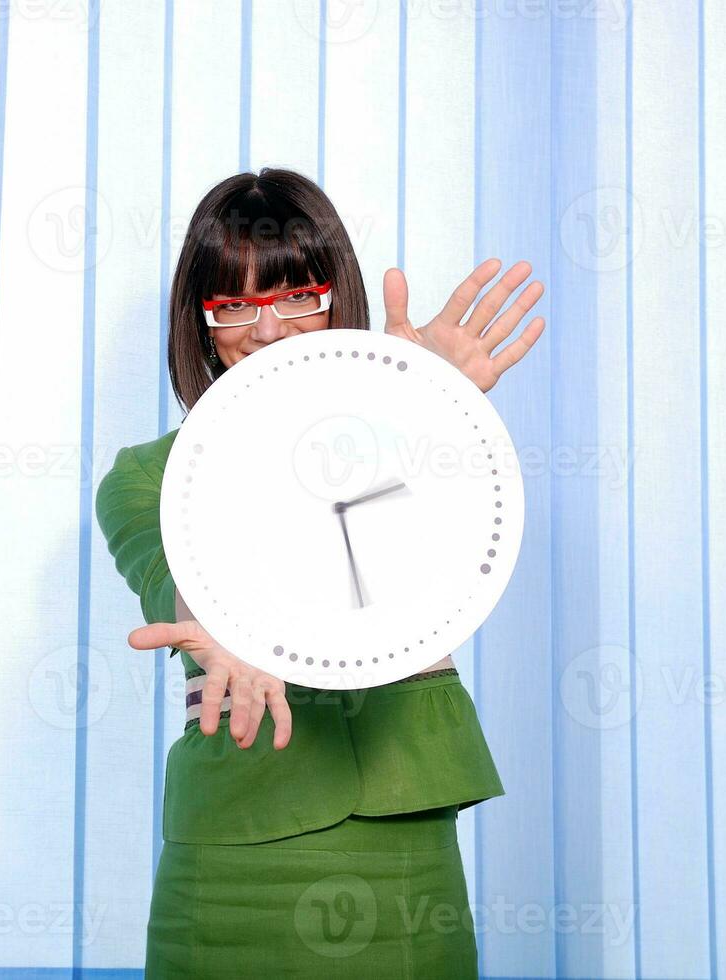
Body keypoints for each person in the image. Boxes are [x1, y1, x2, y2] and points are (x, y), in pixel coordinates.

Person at [94, 167, 545, 978]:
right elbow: (180, 589)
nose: (266, 332)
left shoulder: (412, 437)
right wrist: (227, 639)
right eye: (233, 305)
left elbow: (446, 556)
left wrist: (431, 406)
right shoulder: (146, 476)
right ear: (201, 325)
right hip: (234, 834)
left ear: (339, 299)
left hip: (399, 816)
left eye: (297, 295)